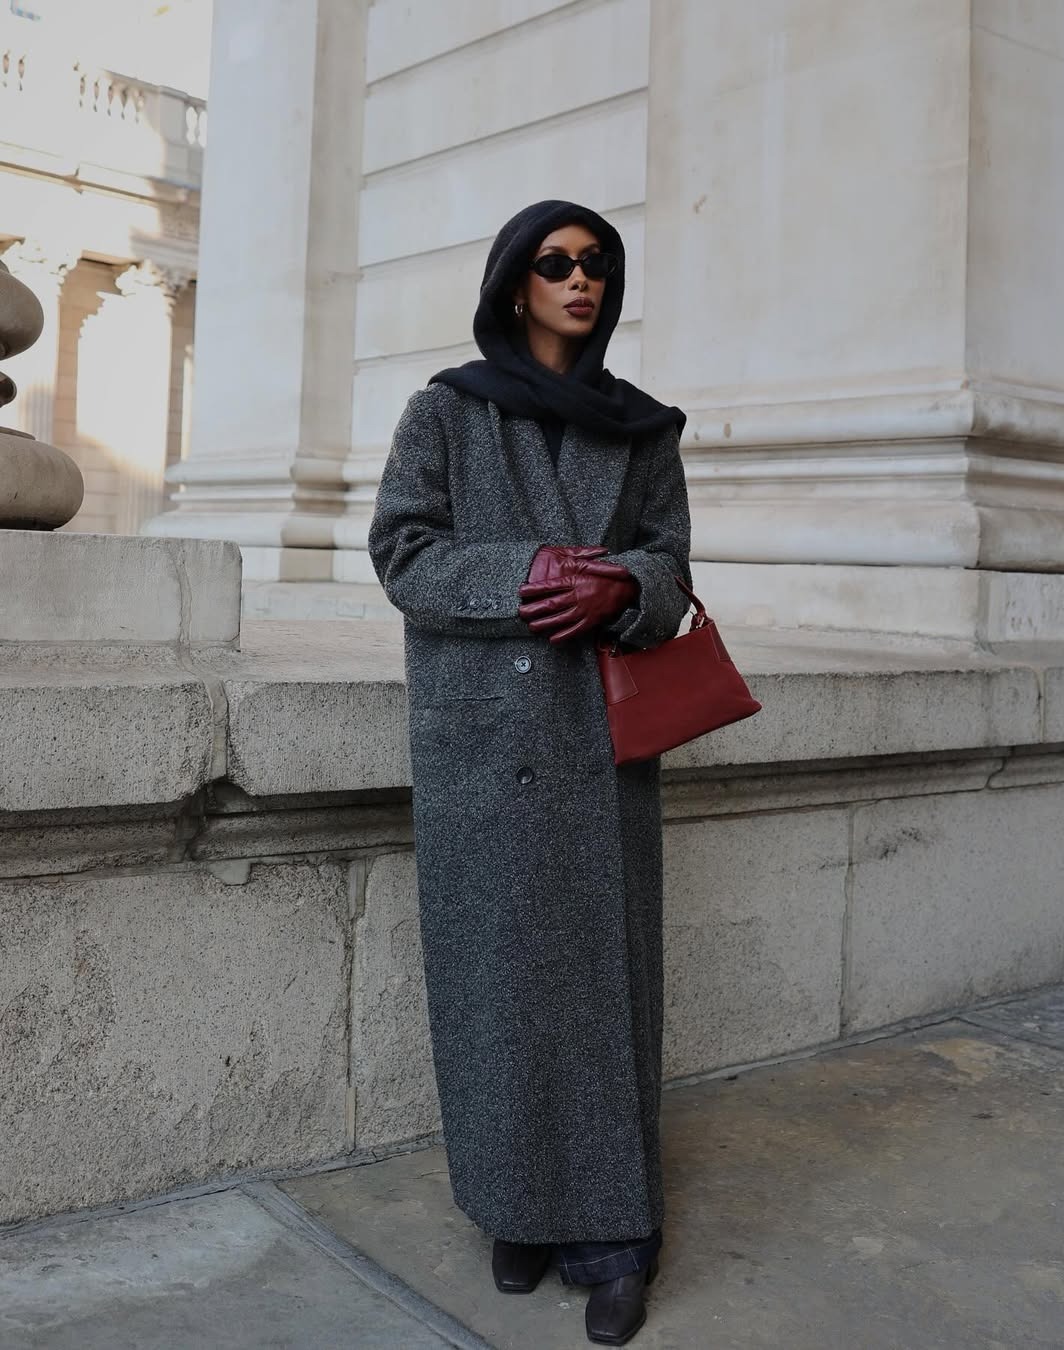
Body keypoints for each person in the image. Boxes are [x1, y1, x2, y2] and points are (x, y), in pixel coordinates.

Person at [368, 200, 690, 1347]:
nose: (581, 280)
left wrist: (628, 590)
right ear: (515, 284)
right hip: (484, 740)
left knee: (600, 985)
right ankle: (517, 1208)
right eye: (557, 264)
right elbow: (402, 551)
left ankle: (614, 1235)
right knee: (495, 985)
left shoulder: (643, 430)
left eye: (599, 265)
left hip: (599, 747)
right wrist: (534, 570)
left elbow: (672, 568)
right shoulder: (447, 412)